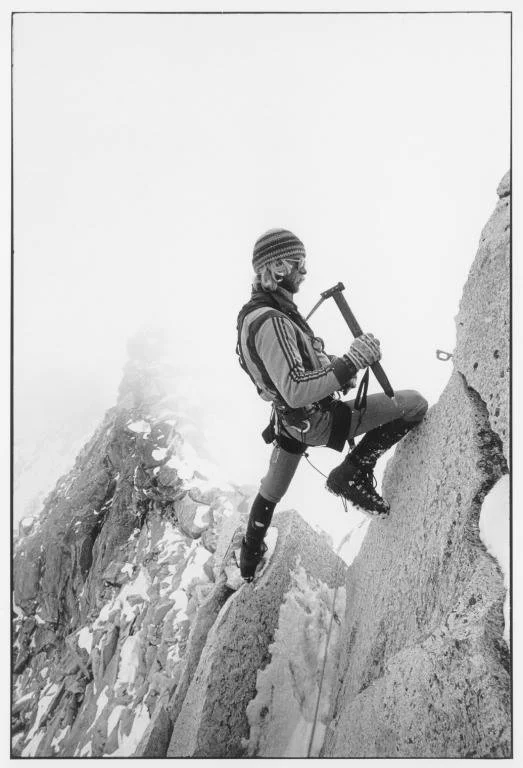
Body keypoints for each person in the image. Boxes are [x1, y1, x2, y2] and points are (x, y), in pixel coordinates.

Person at [236, 228, 428, 581]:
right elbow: (295, 388)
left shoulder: (256, 314)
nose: (304, 271)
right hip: (317, 419)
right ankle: (350, 476)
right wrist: (350, 364)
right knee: (415, 404)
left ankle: (249, 556)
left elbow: (289, 373)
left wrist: (340, 367)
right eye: (299, 263)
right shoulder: (274, 321)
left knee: (271, 490)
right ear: (278, 267)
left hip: (290, 422)